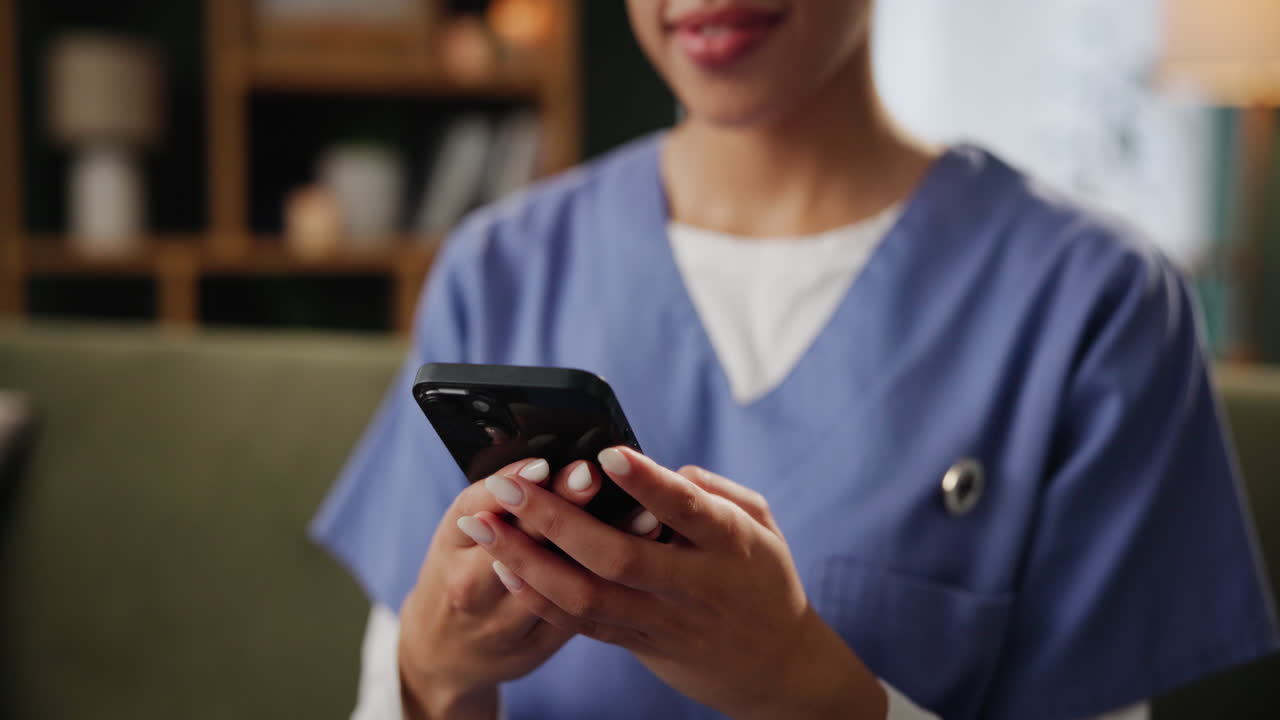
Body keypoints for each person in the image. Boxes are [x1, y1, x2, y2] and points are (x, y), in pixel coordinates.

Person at [310, 1, 1278, 718]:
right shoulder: (498, 270)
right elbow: (394, 690)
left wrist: (801, 688)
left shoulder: (1093, 303)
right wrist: (436, 678)